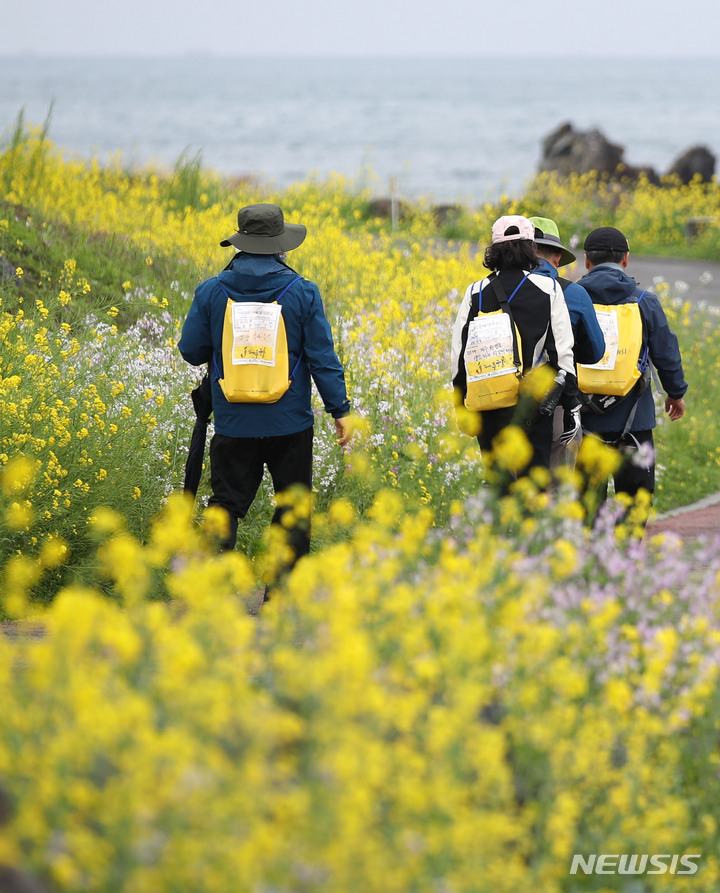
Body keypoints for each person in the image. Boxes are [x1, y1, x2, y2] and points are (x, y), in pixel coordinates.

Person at [178, 203, 352, 595]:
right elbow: (322, 359)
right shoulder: (302, 291)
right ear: (280, 246)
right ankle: (281, 593)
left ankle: (213, 587)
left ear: (240, 243)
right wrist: (340, 410)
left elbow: (191, 351)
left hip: (233, 421)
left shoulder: (212, 291)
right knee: (292, 506)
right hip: (289, 422)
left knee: (226, 502)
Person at [451, 214, 577, 487]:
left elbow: (460, 356)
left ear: (494, 250)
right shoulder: (548, 289)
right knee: (533, 487)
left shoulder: (475, 292)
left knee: (499, 486)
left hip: (488, 402)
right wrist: (569, 407)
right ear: (531, 248)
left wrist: (461, 405)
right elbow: (563, 355)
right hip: (532, 405)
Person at [578, 225, 687, 521]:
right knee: (635, 503)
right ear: (625, 259)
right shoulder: (644, 301)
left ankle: (589, 550)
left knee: (585, 506)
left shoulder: (570, 299)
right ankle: (626, 549)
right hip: (634, 421)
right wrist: (675, 393)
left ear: (586, 261)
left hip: (582, 420)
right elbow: (666, 353)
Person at [529, 216, 605, 467]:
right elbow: (595, 352)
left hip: (503, 405)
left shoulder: (491, 289)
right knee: (558, 484)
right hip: (556, 404)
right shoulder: (573, 293)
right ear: (557, 258)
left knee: (511, 485)